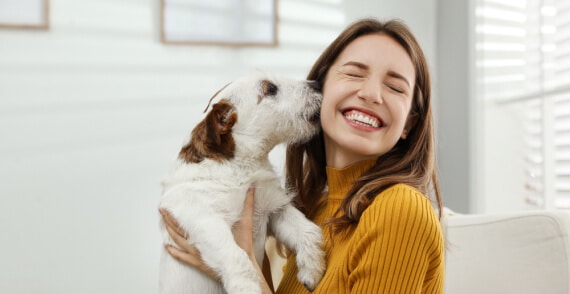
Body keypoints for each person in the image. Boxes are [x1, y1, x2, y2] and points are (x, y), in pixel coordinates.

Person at [160, 17, 445, 293]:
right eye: (355, 73)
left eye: (395, 87)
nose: (371, 94)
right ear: (321, 87)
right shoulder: (318, 210)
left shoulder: (401, 210)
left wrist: (242, 262)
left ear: (408, 123)